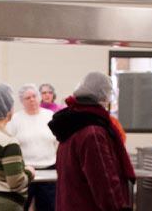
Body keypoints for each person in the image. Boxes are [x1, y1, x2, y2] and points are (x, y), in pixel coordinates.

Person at [48, 72, 135, 211]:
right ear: (103, 95)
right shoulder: (93, 132)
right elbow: (104, 180)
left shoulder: (71, 125)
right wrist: (119, 207)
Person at [8, 85, 57, 211]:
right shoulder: (16, 119)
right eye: (28, 98)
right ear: (22, 101)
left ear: (39, 98)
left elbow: (58, 141)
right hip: (25, 171)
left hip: (49, 170)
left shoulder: (49, 116)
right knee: (21, 206)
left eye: (34, 96)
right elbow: (9, 143)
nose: (32, 100)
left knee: (48, 207)